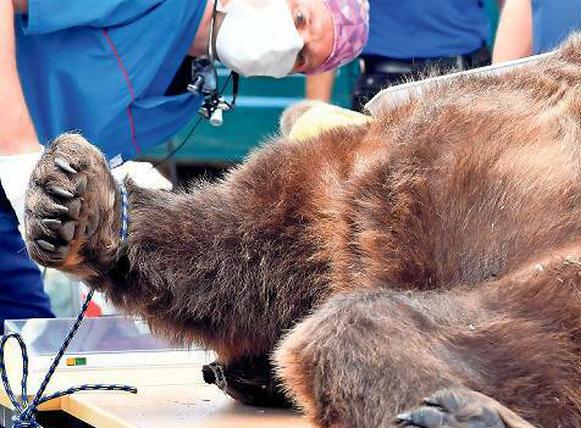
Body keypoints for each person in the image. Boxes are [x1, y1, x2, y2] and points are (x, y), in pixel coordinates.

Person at [0, 0, 369, 326]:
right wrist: (17, 152)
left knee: (26, 342)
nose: (290, 44)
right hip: (14, 169)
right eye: (300, 17)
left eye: (301, 58)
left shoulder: (186, 98)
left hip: (13, 205)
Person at [305, 0, 501, 109]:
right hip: (384, 88)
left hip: (469, 78)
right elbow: (325, 19)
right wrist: (313, 114)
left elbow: (517, 7)